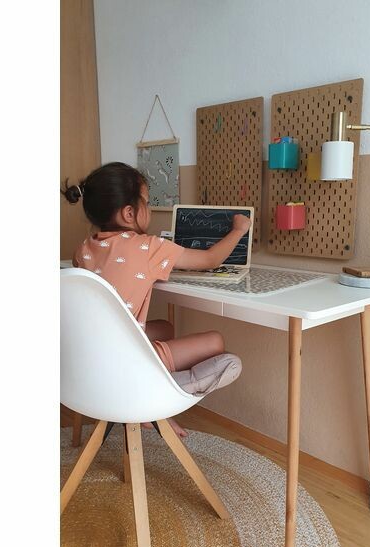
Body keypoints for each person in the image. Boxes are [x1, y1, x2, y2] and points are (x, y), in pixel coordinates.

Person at [62, 162, 249, 437]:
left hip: (90, 360)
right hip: (126, 366)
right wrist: (239, 230)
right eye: (147, 203)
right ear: (129, 213)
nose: (149, 209)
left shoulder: (83, 249)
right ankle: (152, 402)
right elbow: (210, 259)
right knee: (216, 342)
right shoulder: (149, 247)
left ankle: (148, 399)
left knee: (165, 328)